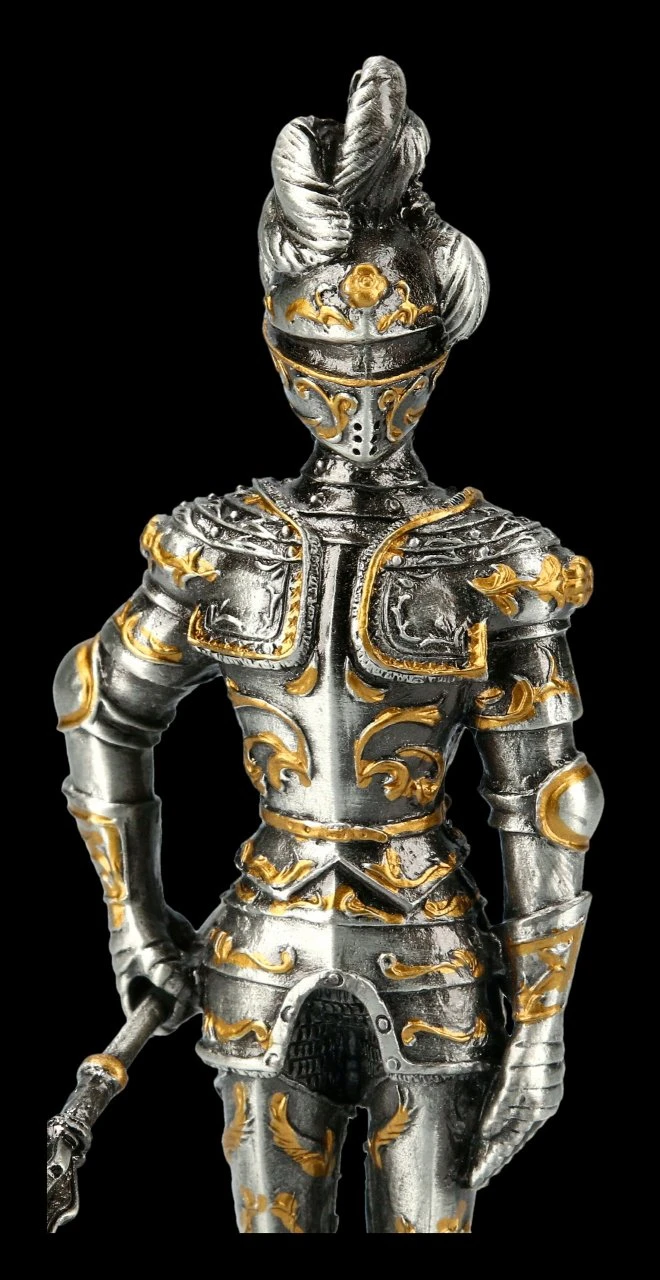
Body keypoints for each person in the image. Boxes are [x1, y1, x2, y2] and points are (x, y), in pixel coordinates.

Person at [53, 55, 603, 1234]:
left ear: (434, 352)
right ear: (281, 348)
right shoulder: (225, 541)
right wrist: (133, 916)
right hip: (282, 954)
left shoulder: (493, 559)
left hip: (402, 953)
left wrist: (544, 1034)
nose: (358, 392)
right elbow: (100, 700)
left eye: (387, 364)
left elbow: (549, 803)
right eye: (331, 363)